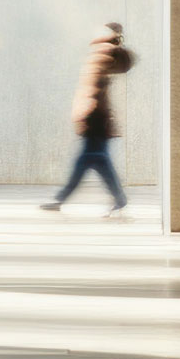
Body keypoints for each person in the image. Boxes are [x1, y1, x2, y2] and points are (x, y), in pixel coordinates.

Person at [41, 23, 136, 215]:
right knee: (96, 161)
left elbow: (94, 87)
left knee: (88, 160)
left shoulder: (105, 52)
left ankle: (61, 199)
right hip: (96, 116)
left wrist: (84, 111)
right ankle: (119, 198)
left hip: (96, 117)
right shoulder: (100, 52)